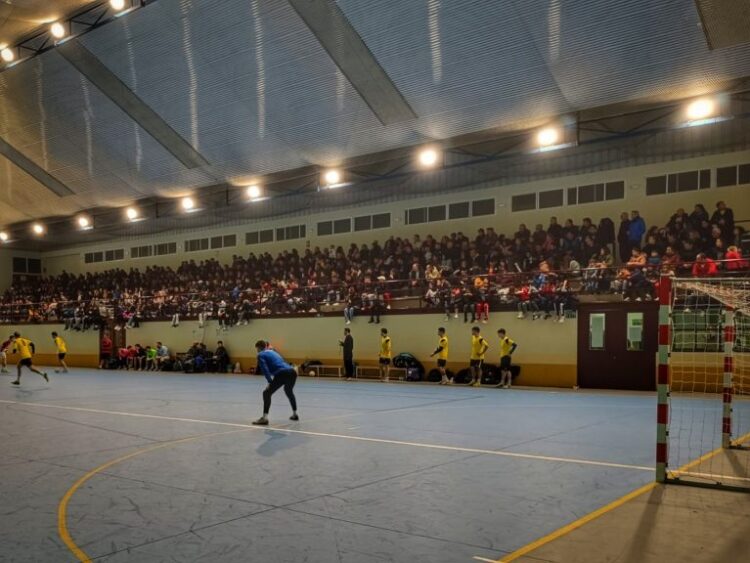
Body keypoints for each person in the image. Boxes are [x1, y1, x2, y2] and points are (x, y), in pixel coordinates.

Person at [252, 340, 299, 425]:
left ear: (258, 348)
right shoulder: (273, 352)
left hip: (282, 373)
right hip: (292, 372)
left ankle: (265, 418)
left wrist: (270, 381)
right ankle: (295, 414)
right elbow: (281, 361)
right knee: (289, 391)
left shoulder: (260, 355)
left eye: (257, 349)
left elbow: (265, 369)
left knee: (266, 393)